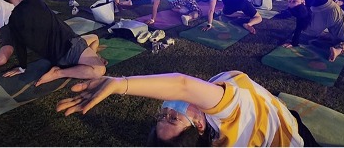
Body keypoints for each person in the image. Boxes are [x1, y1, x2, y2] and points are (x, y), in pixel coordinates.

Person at [55, 70, 313, 146]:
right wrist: (120, 84)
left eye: (162, 116)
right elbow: (181, 85)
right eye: (174, 118)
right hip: (293, 139)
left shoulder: (207, 114)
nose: (167, 111)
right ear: (199, 124)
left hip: (281, 116)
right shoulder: (227, 120)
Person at [0, 0, 106, 86]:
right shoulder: (32, 2)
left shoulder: (12, 21)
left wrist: (22, 67)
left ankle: (85, 61)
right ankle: (59, 73)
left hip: (56, 57)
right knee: (99, 70)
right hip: (69, 45)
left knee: (94, 38)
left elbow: (19, 46)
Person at [273, 0, 344, 62]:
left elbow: (299, 24)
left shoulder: (304, 8)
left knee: (310, 29)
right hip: (333, 13)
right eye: (292, 1)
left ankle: (331, 40)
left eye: (291, 1)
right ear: (303, 2)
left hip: (319, 22)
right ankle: (338, 50)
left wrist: (294, 42)